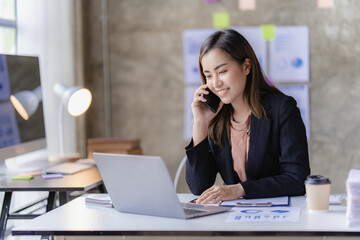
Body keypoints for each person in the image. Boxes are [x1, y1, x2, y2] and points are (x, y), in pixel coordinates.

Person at [185, 29, 310, 204]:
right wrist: (200, 124)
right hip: (234, 219)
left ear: (246, 67)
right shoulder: (217, 118)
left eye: (222, 72)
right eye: (208, 76)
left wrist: (239, 190)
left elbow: (297, 179)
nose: (215, 83)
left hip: (278, 217)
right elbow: (198, 187)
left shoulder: (282, 108)